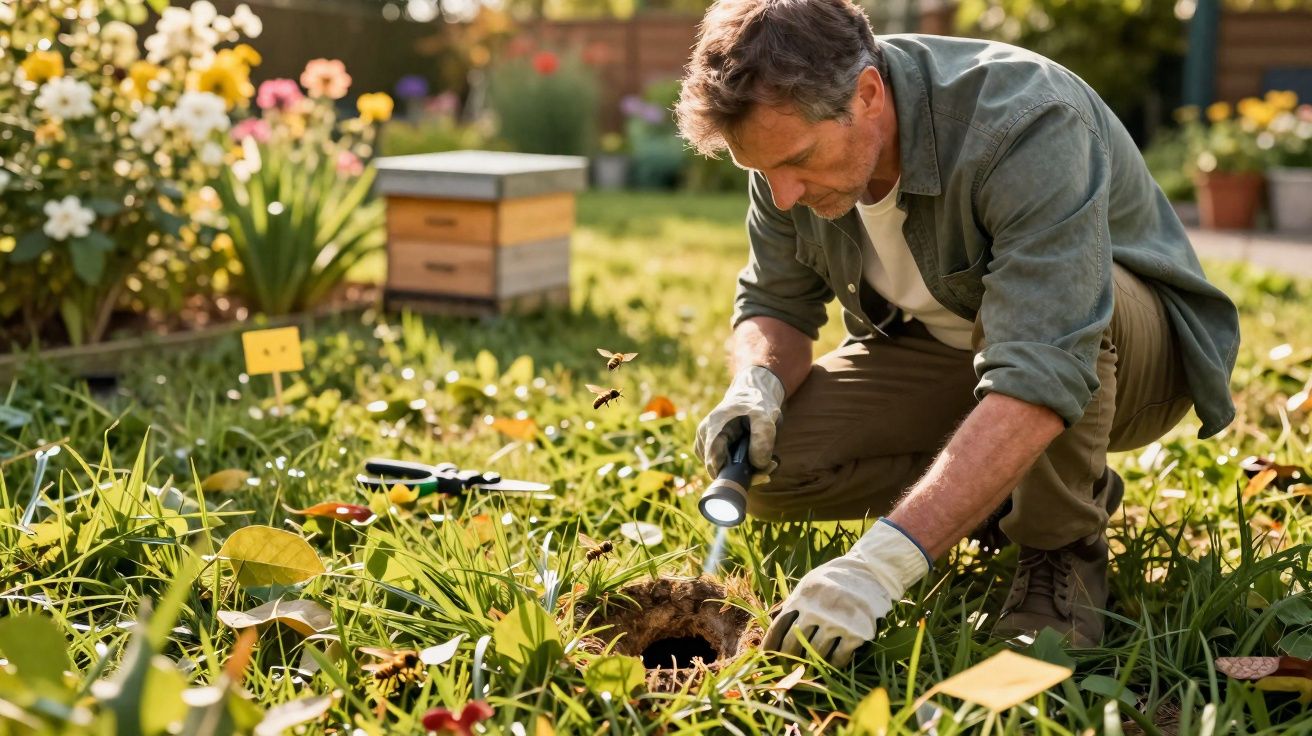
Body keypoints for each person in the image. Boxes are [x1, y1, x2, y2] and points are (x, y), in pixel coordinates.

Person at [679, 0, 1240, 666]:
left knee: (1079, 314)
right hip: (953, 353)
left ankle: (1060, 552)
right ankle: (1004, 482)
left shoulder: (1026, 122)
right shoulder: (784, 146)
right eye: (758, 171)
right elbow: (775, 301)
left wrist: (880, 567)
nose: (783, 196)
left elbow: (1045, 360)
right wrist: (758, 382)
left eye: (797, 162)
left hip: (1130, 353)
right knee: (769, 471)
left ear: (866, 94)